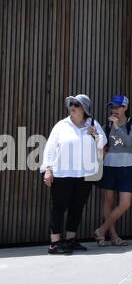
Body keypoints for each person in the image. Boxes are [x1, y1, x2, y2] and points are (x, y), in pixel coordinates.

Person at [40, 94, 105, 255]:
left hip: (85, 174)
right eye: (71, 104)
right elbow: (50, 148)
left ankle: (70, 241)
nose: (73, 107)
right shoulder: (61, 125)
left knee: (77, 207)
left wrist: (96, 135)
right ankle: (54, 244)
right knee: (59, 208)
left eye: (76, 104)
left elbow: (103, 145)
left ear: (85, 109)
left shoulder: (93, 124)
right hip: (62, 173)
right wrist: (48, 169)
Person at [94, 95, 132, 247]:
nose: (115, 110)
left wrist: (118, 127)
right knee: (109, 201)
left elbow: (129, 142)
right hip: (109, 165)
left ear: (125, 107)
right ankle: (113, 236)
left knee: (125, 203)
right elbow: (103, 146)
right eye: (112, 107)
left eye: (118, 107)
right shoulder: (107, 126)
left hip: (127, 165)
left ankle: (102, 229)